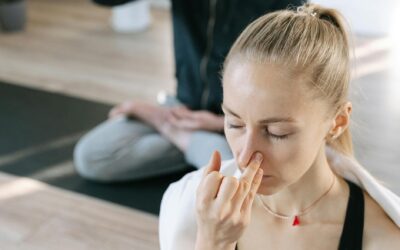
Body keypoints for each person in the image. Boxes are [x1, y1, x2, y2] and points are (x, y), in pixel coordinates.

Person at [159, 3, 400, 250]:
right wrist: (212, 241)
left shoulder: (382, 239)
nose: (244, 156)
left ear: (337, 121)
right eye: (234, 124)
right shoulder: (188, 208)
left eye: (277, 133)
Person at [73, 0, 303, 182]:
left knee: (239, 179)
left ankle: (177, 135)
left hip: (243, 126)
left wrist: (218, 123)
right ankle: (192, 146)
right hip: (181, 110)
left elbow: (285, 91)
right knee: (92, 156)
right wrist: (175, 118)